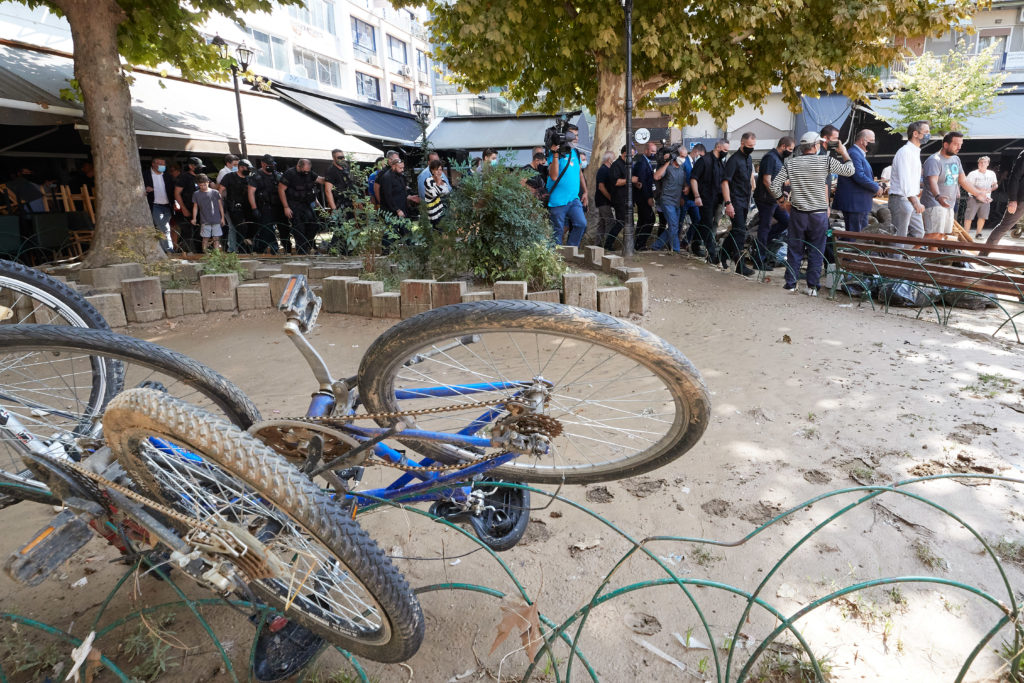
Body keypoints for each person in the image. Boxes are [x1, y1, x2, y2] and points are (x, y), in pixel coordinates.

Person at [770, 131, 854, 297]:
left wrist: (782, 202)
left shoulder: (791, 163)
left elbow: (774, 185)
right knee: (816, 250)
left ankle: (791, 284)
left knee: (795, 249)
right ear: (816, 146)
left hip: (798, 214)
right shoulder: (826, 161)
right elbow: (850, 171)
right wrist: (843, 152)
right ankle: (812, 287)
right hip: (818, 214)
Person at [921, 131, 986, 242]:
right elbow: (933, 182)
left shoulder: (956, 159)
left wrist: (978, 193)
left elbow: (963, 180)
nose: (959, 147)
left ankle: (931, 258)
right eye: (956, 144)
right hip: (934, 203)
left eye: (961, 144)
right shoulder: (934, 160)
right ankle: (909, 253)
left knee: (940, 236)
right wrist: (938, 196)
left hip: (949, 204)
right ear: (946, 144)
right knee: (933, 235)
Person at [752, 137, 794, 269]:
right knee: (764, 228)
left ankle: (763, 243)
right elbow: (766, 181)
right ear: (783, 146)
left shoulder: (779, 158)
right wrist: (779, 198)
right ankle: (759, 259)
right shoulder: (770, 157)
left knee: (786, 221)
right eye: (790, 149)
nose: (791, 152)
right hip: (766, 199)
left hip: (773, 199)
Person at [720, 132, 757, 274]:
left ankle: (721, 255)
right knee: (740, 232)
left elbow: (749, 179)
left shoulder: (749, 159)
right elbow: (724, 183)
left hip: (745, 200)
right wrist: (728, 203)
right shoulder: (734, 160)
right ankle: (739, 264)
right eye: (749, 146)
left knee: (737, 230)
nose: (751, 148)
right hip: (734, 201)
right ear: (742, 144)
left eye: (753, 146)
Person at [689, 138, 730, 264]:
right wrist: (697, 196)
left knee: (704, 224)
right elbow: (693, 179)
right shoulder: (704, 160)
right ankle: (712, 254)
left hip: (716, 199)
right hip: (705, 198)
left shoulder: (720, 163)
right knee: (706, 225)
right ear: (718, 147)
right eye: (724, 150)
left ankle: (695, 245)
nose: (726, 152)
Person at [888, 120, 930, 243]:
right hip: (901, 199)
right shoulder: (905, 152)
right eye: (926, 132)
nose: (929, 135)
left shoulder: (914, 152)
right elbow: (905, 180)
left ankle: (895, 256)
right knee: (900, 238)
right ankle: (894, 259)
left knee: (918, 234)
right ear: (915, 134)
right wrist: (915, 201)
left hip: (910, 199)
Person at [832, 129, 881, 233]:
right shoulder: (854, 153)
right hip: (854, 204)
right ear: (863, 141)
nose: (874, 143)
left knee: (860, 236)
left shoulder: (857, 153)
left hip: (859, 204)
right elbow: (858, 176)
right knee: (854, 237)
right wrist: (876, 187)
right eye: (871, 140)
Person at [981, 148, 1024, 256]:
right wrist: (1013, 200)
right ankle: (983, 254)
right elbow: (1015, 177)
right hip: (1020, 199)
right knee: (1004, 226)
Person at [545, 136, 587, 247]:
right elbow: (553, 176)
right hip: (557, 200)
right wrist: (555, 154)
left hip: (574, 198)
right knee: (557, 230)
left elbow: (580, 173)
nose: (576, 138)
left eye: (578, 135)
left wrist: (585, 192)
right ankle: (555, 258)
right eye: (573, 135)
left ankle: (570, 251)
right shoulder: (554, 153)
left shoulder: (576, 152)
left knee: (581, 224)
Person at [278, 159, 321, 255]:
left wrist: (330, 179)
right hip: (293, 205)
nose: (306, 173)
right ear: (299, 166)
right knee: (299, 228)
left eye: (308, 171)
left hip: (306, 205)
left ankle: (308, 246)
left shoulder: (309, 173)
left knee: (313, 225)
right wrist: (286, 207)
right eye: (305, 171)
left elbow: (319, 179)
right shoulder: (290, 173)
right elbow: (281, 189)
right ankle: (302, 251)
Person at [651, 147, 689, 253]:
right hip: (666, 200)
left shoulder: (682, 169)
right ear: (676, 155)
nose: (683, 159)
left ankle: (656, 245)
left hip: (677, 201)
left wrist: (686, 187)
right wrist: (668, 162)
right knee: (673, 225)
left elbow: (683, 181)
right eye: (681, 156)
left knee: (674, 227)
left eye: (685, 157)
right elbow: (656, 176)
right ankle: (676, 250)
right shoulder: (667, 167)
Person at [247, 154, 283, 255]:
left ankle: (260, 249)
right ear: (263, 164)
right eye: (269, 164)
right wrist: (254, 208)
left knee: (271, 229)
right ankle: (273, 249)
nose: (271, 166)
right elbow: (251, 193)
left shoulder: (276, 175)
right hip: (264, 207)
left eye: (272, 164)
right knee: (267, 228)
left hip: (277, 206)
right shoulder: (256, 176)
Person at [220, 159, 254, 252]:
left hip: (247, 207)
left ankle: (245, 248)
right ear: (241, 167)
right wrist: (220, 204)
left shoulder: (249, 178)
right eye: (247, 168)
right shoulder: (229, 176)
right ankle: (236, 249)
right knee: (238, 228)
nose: (249, 171)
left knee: (247, 228)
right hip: (233, 207)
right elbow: (221, 190)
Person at [603, 144, 633, 250]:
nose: (632, 158)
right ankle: (608, 244)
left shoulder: (627, 164)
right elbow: (616, 182)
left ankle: (628, 245)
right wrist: (630, 180)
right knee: (621, 222)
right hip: (619, 198)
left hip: (627, 198)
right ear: (625, 154)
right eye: (631, 155)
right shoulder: (616, 165)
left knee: (628, 221)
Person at [631, 141, 658, 250]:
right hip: (642, 197)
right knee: (649, 219)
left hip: (644, 196)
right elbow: (643, 182)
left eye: (655, 152)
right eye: (652, 151)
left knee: (643, 220)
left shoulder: (647, 162)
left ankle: (638, 243)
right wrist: (648, 198)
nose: (653, 154)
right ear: (646, 150)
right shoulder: (642, 163)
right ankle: (640, 243)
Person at [173, 156, 204, 253]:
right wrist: (183, 208)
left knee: (199, 231)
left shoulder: (201, 176)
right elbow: (177, 193)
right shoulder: (184, 177)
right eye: (197, 166)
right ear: (191, 166)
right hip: (188, 208)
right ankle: (186, 252)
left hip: (200, 210)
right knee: (188, 232)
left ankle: (198, 251)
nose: (200, 168)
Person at [143, 157, 174, 252]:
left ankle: (160, 250)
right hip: (155, 205)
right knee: (164, 227)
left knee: (162, 228)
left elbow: (172, 190)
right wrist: (145, 189)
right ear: (153, 164)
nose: (162, 166)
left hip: (167, 206)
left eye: (163, 164)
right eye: (160, 163)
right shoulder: (145, 174)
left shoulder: (167, 176)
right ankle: (169, 250)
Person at [190, 174, 225, 252]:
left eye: (204, 185)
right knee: (205, 238)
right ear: (198, 185)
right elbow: (195, 207)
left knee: (216, 238)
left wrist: (222, 217)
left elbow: (220, 206)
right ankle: (205, 253)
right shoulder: (196, 194)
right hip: (205, 220)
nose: (203, 187)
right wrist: (194, 218)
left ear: (208, 182)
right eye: (200, 185)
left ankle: (216, 254)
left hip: (216, 219)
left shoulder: (215, 192)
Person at [965, 156, 998, 238]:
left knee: (983, 217)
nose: (982, 164)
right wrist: (979, 190)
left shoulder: (991, 173)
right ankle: (965, 234)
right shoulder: (973, 174)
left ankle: (978, 233)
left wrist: (991, 189)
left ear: (988, 163)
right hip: (974, 197)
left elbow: (995, 184)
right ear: (978, 163)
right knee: (969, 217)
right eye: (981, 162)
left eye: (985, 162)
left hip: (986, 198)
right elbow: (967, 185)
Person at [681, 143, 705, 253]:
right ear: (696, 152)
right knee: (678, 222)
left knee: (697, 220)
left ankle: (686, 241)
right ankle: (674, 244)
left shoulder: (694, 163)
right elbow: (681, 177)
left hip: (691, 199)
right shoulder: (685, 161)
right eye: (701, 156)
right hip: (683, 197)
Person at [423, 159, 452, 227]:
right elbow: (434, 194)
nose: (439, 172)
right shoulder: (428, 180)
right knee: (437, 232)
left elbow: (446, 191)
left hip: (442, 210)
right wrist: (439, 183)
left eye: (440, 170)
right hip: (433, 212)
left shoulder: (443, 179)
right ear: (432, 170)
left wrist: (438, 187)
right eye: (437, 170)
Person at [595, 151, 615, 247]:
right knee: (610, 222)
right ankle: (607, 244)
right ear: (609, 159)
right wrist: (611, 198)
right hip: (603, 201)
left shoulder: (606, 170)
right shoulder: (603, 170)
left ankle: (598, 244)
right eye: (613, 158)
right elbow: (601, 187)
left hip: (603, 201)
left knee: (602, 223)